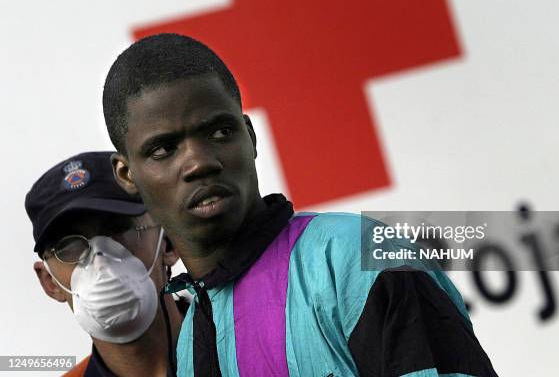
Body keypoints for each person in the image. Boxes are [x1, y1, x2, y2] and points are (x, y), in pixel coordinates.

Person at [102, 33, 498, 376]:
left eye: (220, 131)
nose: (200, 162)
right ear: (126, 174)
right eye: (163, 149)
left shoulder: (364, 259)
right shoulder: (189, 345)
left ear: (250, 136)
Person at [25, 151, 188, 377]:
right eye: (69, 246)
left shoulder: (245, 348)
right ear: (50, 282)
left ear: (170, 242)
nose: (101, 262)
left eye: (118, 230)